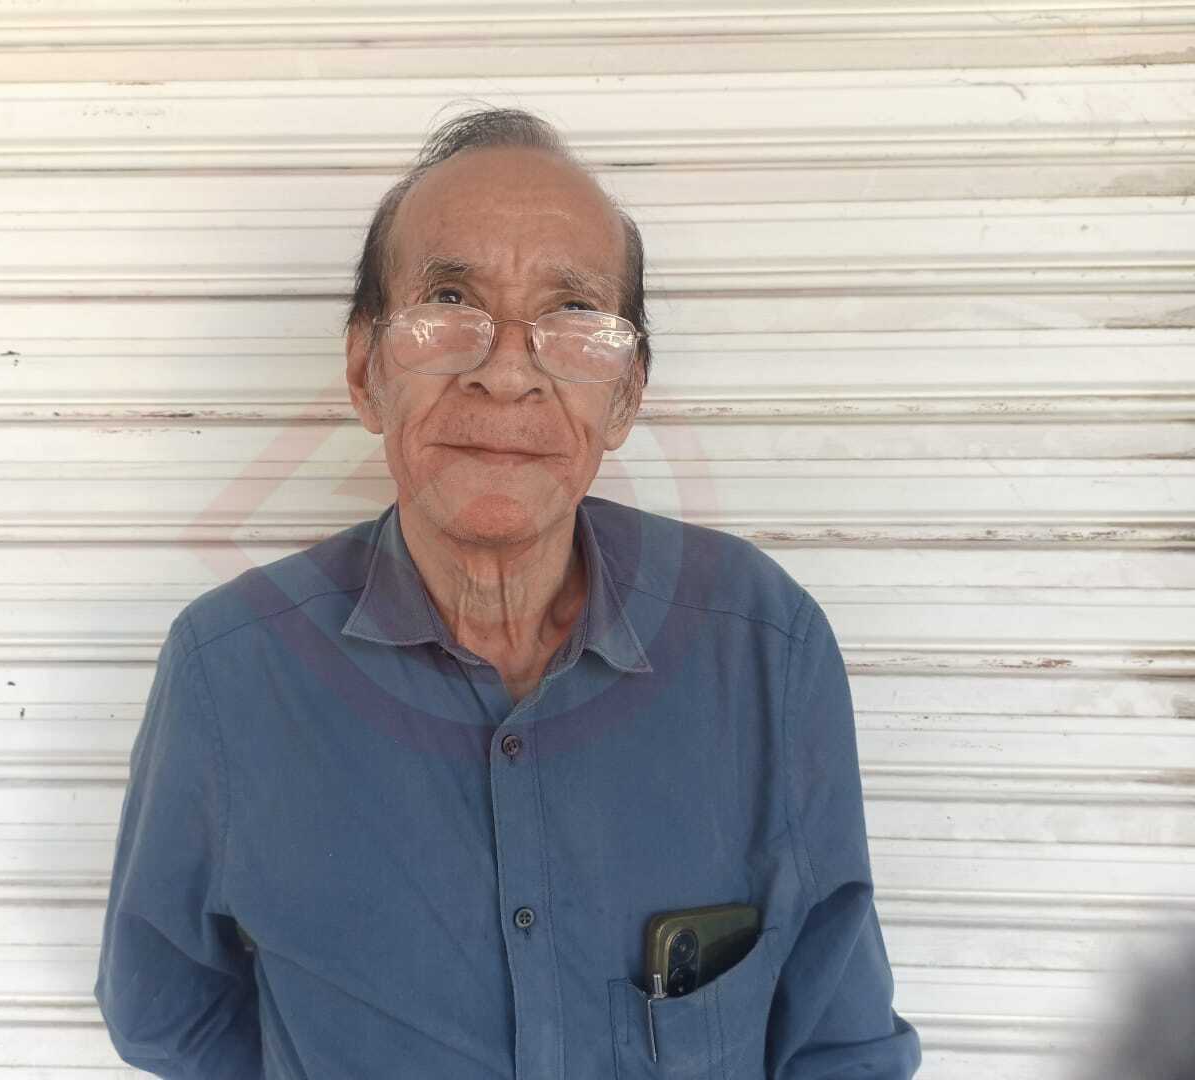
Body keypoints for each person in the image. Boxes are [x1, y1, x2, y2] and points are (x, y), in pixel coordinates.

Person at [93, 106, 921, 1079]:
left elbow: (839, 1041)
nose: (507, 373)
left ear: (626, 393)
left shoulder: (764, 647)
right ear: (365, 370)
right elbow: (165, 1011)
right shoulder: (230, 671)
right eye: (449, 300)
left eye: (572, 314)